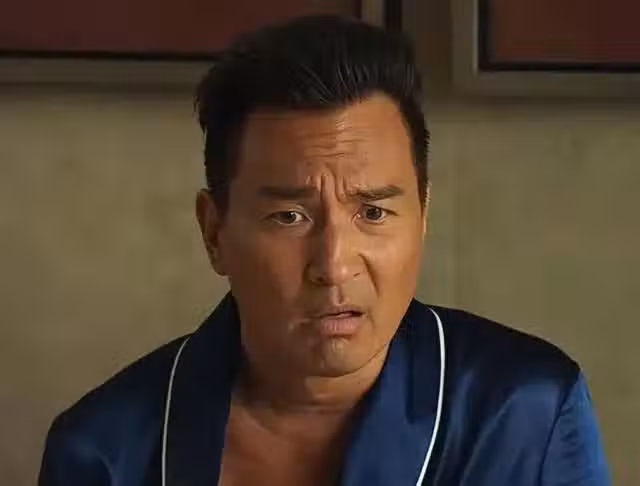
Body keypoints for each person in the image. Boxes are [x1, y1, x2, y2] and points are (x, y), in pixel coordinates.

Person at [38, 15, 610, 486]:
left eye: (373, 213)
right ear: (215, 233)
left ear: (423, 215)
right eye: (289, 217)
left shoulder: (525, 414)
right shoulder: (104, 453)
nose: (333, 266)